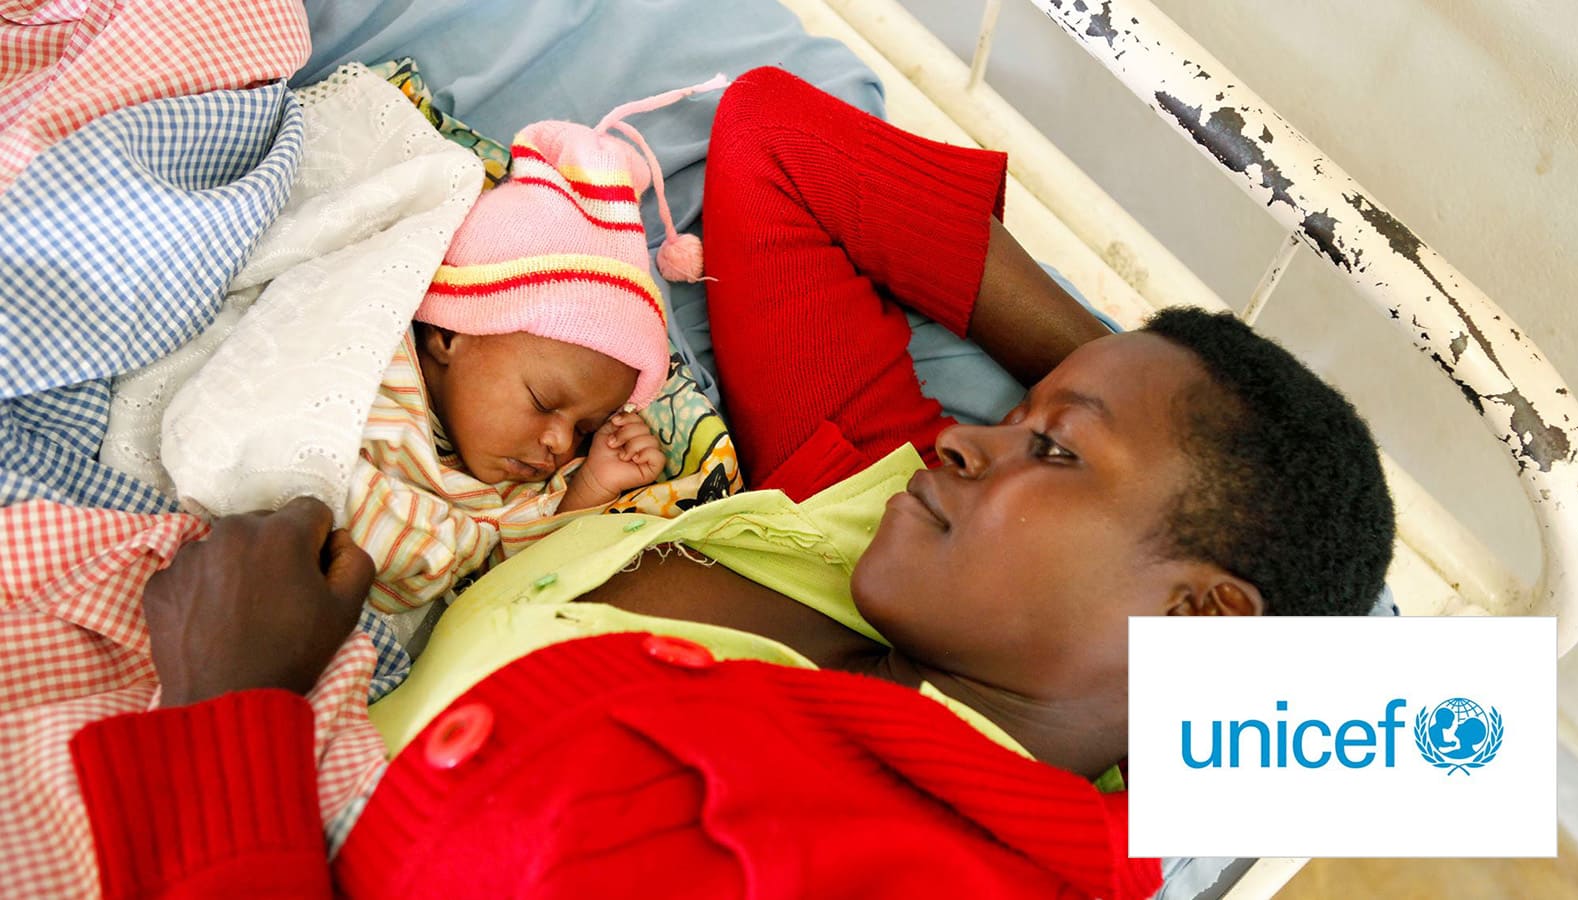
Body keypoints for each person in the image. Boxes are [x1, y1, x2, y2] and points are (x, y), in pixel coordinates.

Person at [66, 67, 1394, 898]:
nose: (963, 437)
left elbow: (1431, 714)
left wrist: (224, 717)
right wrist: (1138, 394)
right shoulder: (873, 504)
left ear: (1208, 625)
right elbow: (777, 143)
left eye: (1045, 450)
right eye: (1023, 423)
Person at [347, 82, 726, 616]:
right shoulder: (366, 359)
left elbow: (504, 582)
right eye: (546, 403)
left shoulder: (518, 493)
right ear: (450, 334)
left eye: (584, 431)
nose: (558, 441)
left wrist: (590, 485)